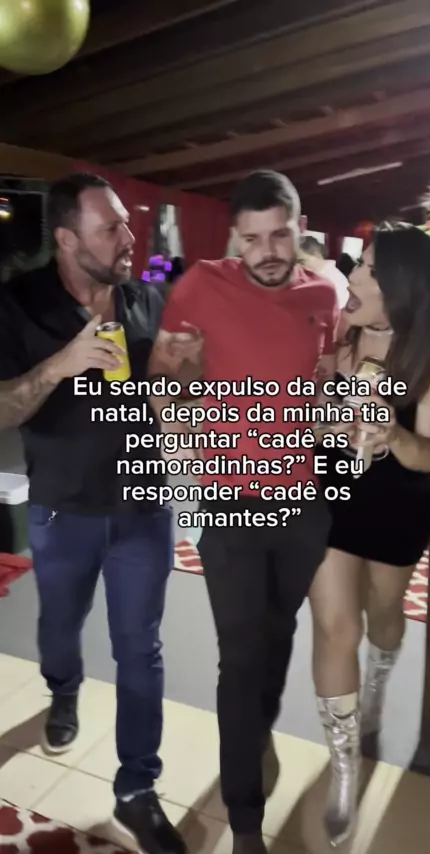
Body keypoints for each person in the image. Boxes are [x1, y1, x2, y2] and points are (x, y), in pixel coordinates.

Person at [0, 173, 197, 854]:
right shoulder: (18, 304)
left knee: (140, 648)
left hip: (144, 507)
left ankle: (137, 789)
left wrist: (179, 375)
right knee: (60, 630)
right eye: (110, 227)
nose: (128, 236)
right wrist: (60, 365)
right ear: (66, 238)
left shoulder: (148, 300)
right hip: (63, 511)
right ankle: (63, 689)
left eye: (126, 223)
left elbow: (174, 403)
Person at [148, 171, 338, 854]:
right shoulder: (199, 287)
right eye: (252, 239)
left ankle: (257, 729)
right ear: (235, 237)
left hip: (302, 505)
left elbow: (324, 382)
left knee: (278, 634)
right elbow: (163, 387)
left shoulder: (325, 294)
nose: (266, 252)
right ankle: (245, 820)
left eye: (278, 236)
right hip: (231, 502)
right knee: (240, 654)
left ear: (298, 227)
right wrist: (182, 394)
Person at [309, 223, 430, 847]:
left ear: (399, 288)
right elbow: (311, 421)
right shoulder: (338, 337)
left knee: (384, 616)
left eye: (368, 269)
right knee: (335, 627)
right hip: (331, 498)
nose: (353, 275)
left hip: (398, 505)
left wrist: (392, 433)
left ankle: (377, 678)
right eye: (358, 265)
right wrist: (330, 423)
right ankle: (344, 765)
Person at [300, 235, 349, 309]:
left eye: (302, 261)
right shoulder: (308, 276)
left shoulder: (335, 279)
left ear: (316, 254)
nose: (299, 266)